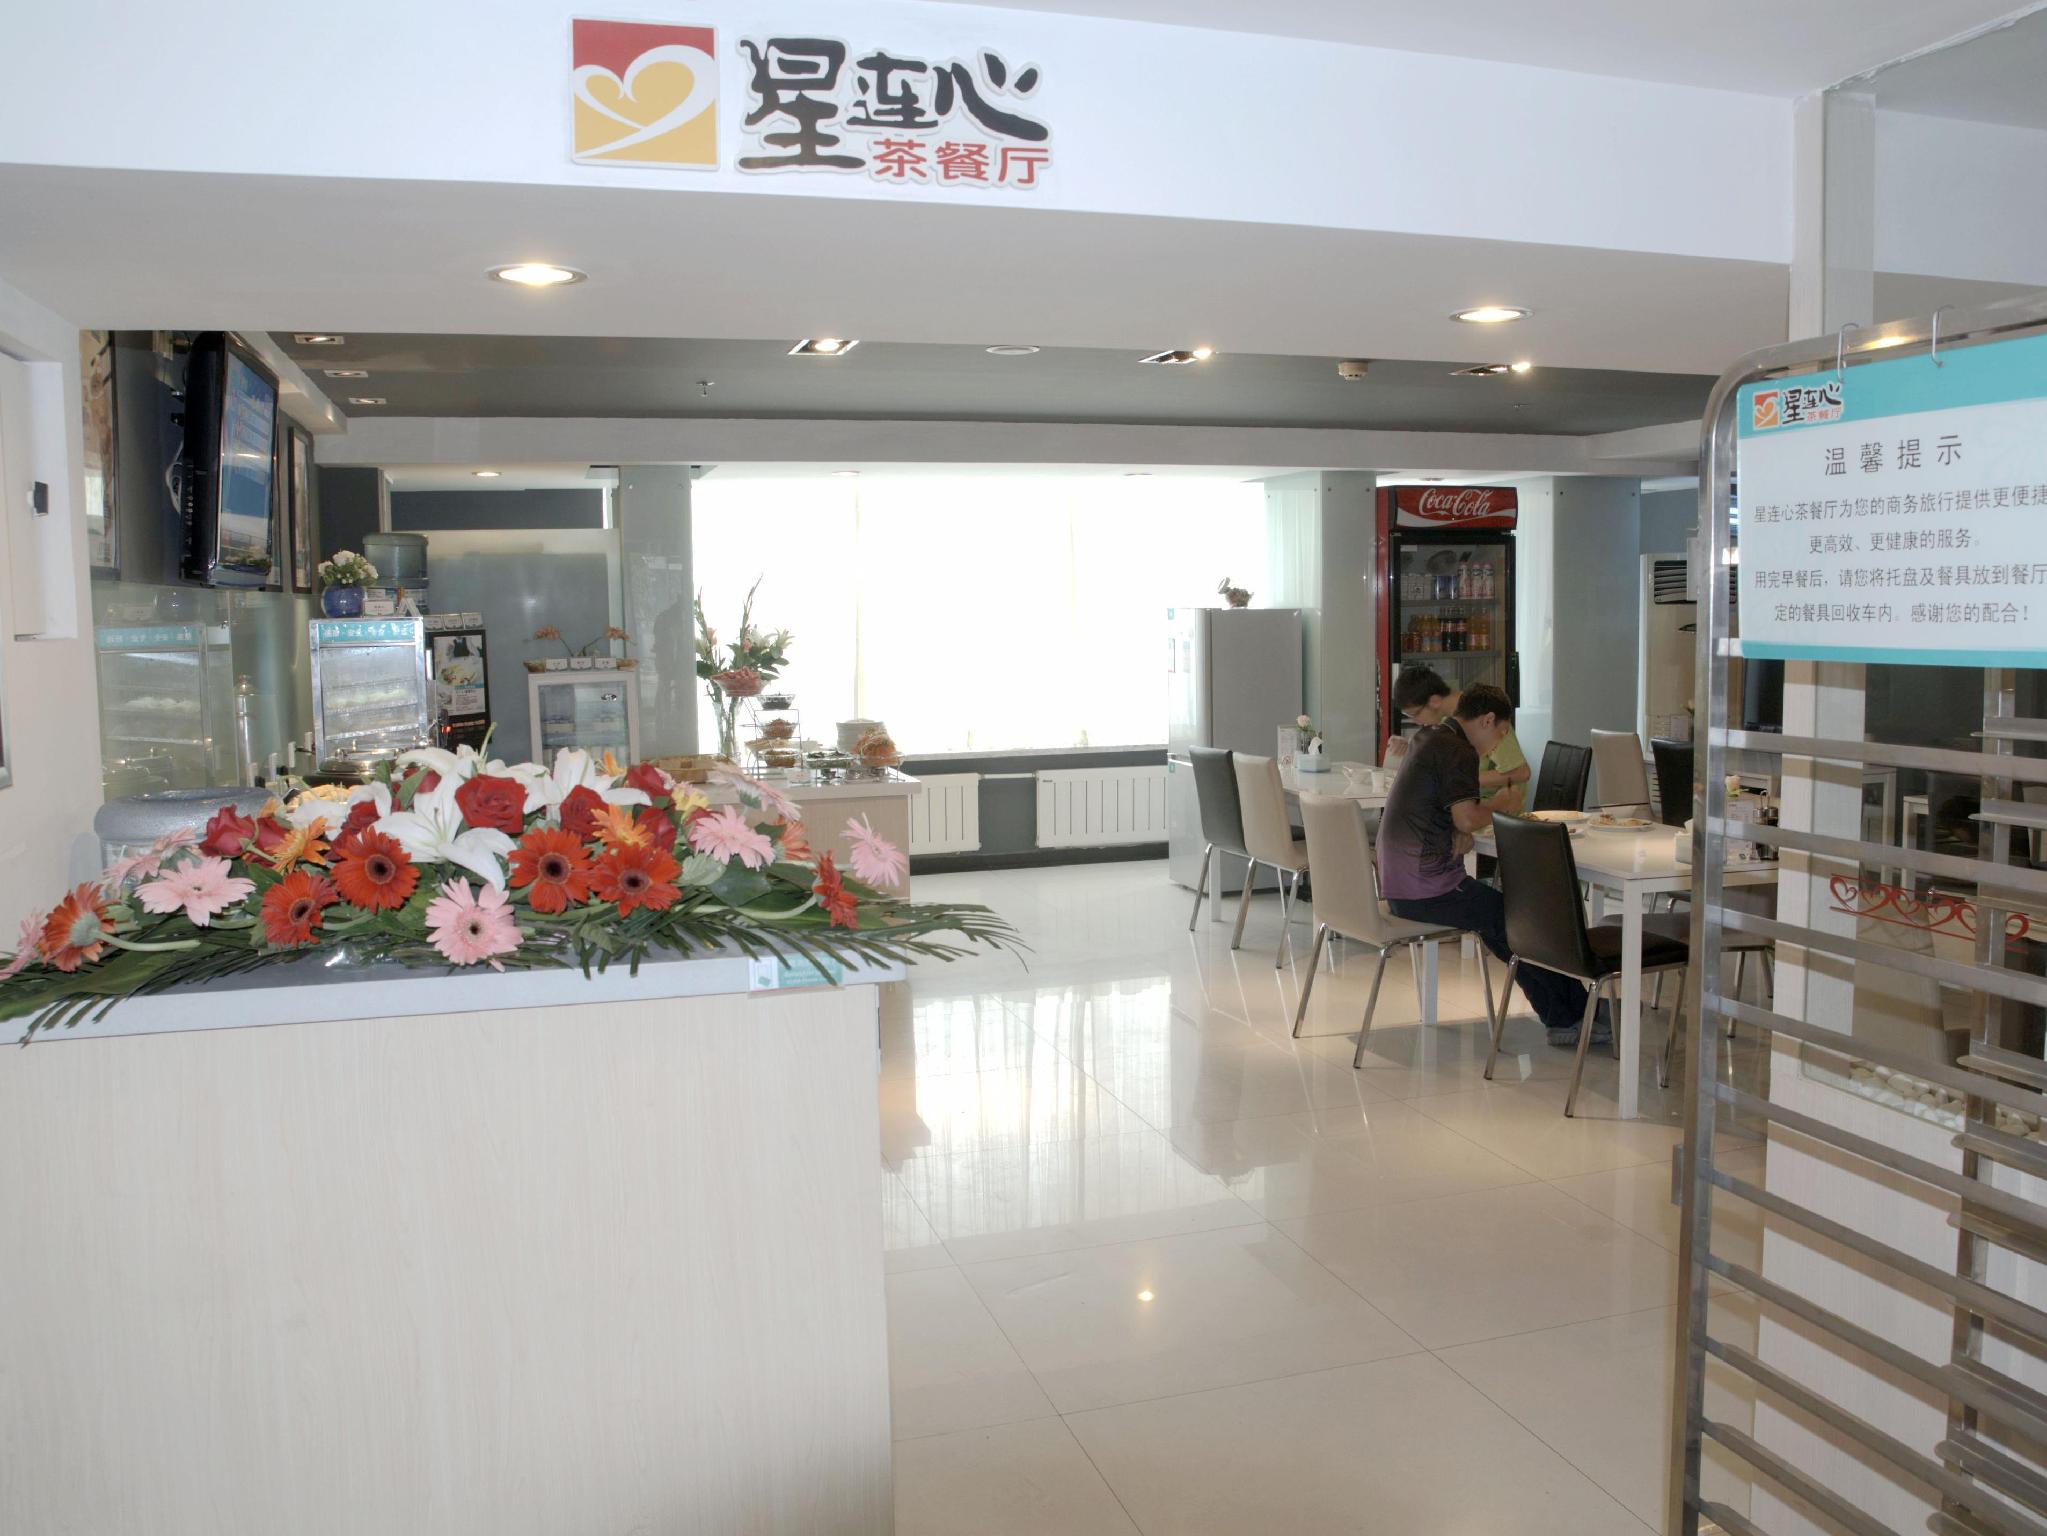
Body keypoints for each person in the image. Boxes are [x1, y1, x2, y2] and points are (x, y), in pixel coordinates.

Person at [1376, 682, 1603, 1047]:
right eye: (1501, 732)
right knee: (1521, 921)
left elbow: (1449, 814)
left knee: (1506, 923)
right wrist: (1500, 804)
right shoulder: (1458, 750)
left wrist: (1459, 826)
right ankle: (1577, 1013)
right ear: (1486, 720)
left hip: (1401, 881)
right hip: (1426, 887)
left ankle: (1567, 1014)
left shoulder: (1430, 738)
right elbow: (1468, 818)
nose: (1498, 743)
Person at [1391, 668, 1527, 811]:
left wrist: (1460, 779)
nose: (1416, 722)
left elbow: (1521, 773)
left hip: (1496, 812)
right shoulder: (1443, 719)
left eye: (1415, 714)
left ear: (1434, 701)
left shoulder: (1482, 713)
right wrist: (1409, 746)